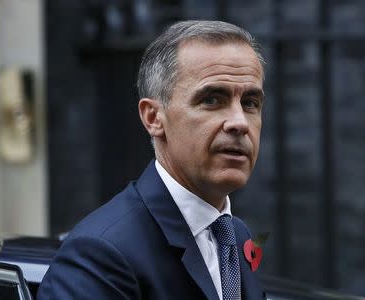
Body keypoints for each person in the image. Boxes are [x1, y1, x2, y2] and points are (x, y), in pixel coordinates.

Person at [38, 20, 266, 300]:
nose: (239, 122)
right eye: (212, 100)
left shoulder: (234, 234)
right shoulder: (100, 253)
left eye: (250, 103)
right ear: (153, 118)